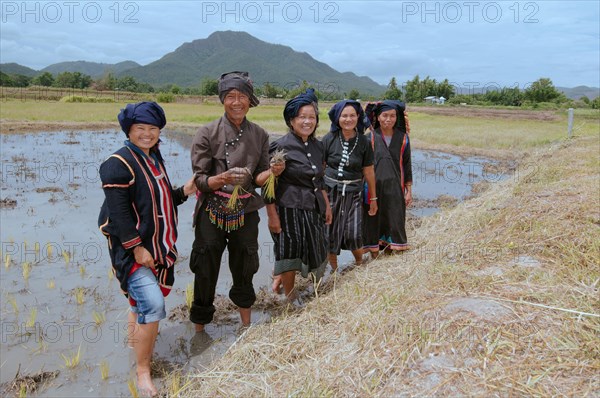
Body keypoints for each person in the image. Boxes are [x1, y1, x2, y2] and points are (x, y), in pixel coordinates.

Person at [98, 101, 196, 397]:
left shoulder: (154, 159)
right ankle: (143, 372)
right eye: (140, 128)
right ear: (129, 130)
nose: (147, 133)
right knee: (153, 305)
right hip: (134, 252)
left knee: (139, 303)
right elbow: (119, 215)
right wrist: (138, 249)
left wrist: (184, 192)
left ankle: (134, 341)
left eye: (153, 129)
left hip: (160, 246)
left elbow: (158, 202)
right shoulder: (118, 163)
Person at [189, 71, 271, 332]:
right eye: (231, 97)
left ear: (250, 101)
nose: (237, 102)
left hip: (245, 210)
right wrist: (221, 178)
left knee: (246, 263)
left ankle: (246, 324)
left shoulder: (260, 135)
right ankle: (200, 328)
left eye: (243, 97)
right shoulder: (207, 132)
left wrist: (273, 172)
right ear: (223, 100)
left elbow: (258, 179)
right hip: (212, 210)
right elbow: (200, 179)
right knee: (205, 265)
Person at [265, 88, 332, 301]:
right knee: (289, 252)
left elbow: (319, 179)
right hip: (288, 209)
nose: (307, 121)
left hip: (313, 208)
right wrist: (272, 216)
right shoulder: (280, 146)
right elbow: (268, 183)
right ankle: (291, 297)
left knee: (317, 246)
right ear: (291, 120)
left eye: (311, 117)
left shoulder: (318, 146)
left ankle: (315, 291)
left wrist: (327, 205)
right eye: (302, 117)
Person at [322, 100, 377, 270]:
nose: (348, 119)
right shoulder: (329, 139)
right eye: (344, 115)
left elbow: (368, 172)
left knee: (353, 233)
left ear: (358, 117)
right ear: (338, 118)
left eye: (352, 115)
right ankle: (334, 269)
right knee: (331, 232)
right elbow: (321, 167)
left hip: (354, 193)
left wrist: (373, 198)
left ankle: (359, 265)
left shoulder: (364, 142)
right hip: (331, 192)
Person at [363, 100, 413, 258]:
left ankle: (392, 251)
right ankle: (375, 255)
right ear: (378, 117)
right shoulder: (370, 137)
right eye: (385, 115)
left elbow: (407, 165)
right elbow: (363, 166)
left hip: (395, 189)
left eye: (392, 116)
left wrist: (408, 190)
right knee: (373, 221)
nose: (388, 119)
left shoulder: (403, 138)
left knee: (394, 219)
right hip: (373, 189)